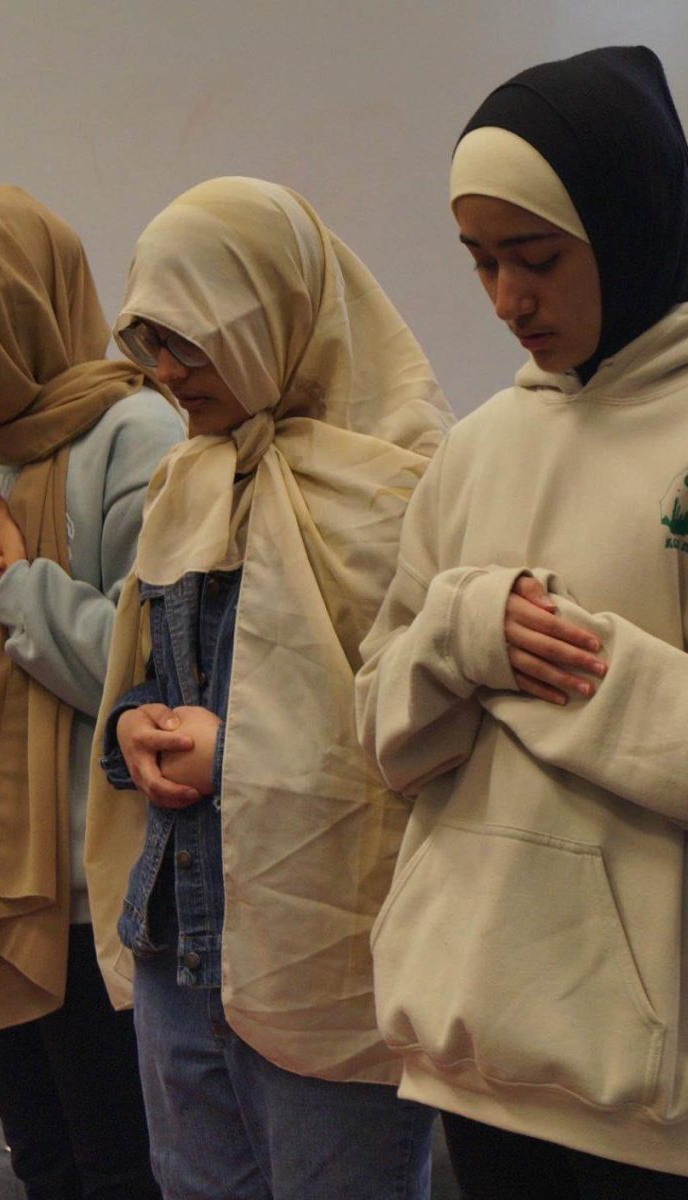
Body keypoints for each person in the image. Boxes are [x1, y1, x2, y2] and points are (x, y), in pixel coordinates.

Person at [355, 45, 688, 1199]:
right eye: (479, 262)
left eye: (533, 257)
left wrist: (559, 672)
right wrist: (461, 636)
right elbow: (381, 728)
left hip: (669, 1095)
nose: (505, 299)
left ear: (628, 224)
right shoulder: (478, 446)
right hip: (474, 1048)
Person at [86, 176, 453, 1200]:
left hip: (327, 957)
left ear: (270, 314)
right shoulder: (186, 481)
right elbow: (145, 685)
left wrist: (232, 757)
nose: (164, 373)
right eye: (149, 341)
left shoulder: (405, 489)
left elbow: (440, 735)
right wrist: (136, 731)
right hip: (176, 946)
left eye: (190, 341)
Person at [0, 185, 184, 1199]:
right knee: (42, 1161)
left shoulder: (140, 437)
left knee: (117, 1168)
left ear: (2, 316)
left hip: (83, 882)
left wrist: (21, 587)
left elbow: (149, 668)